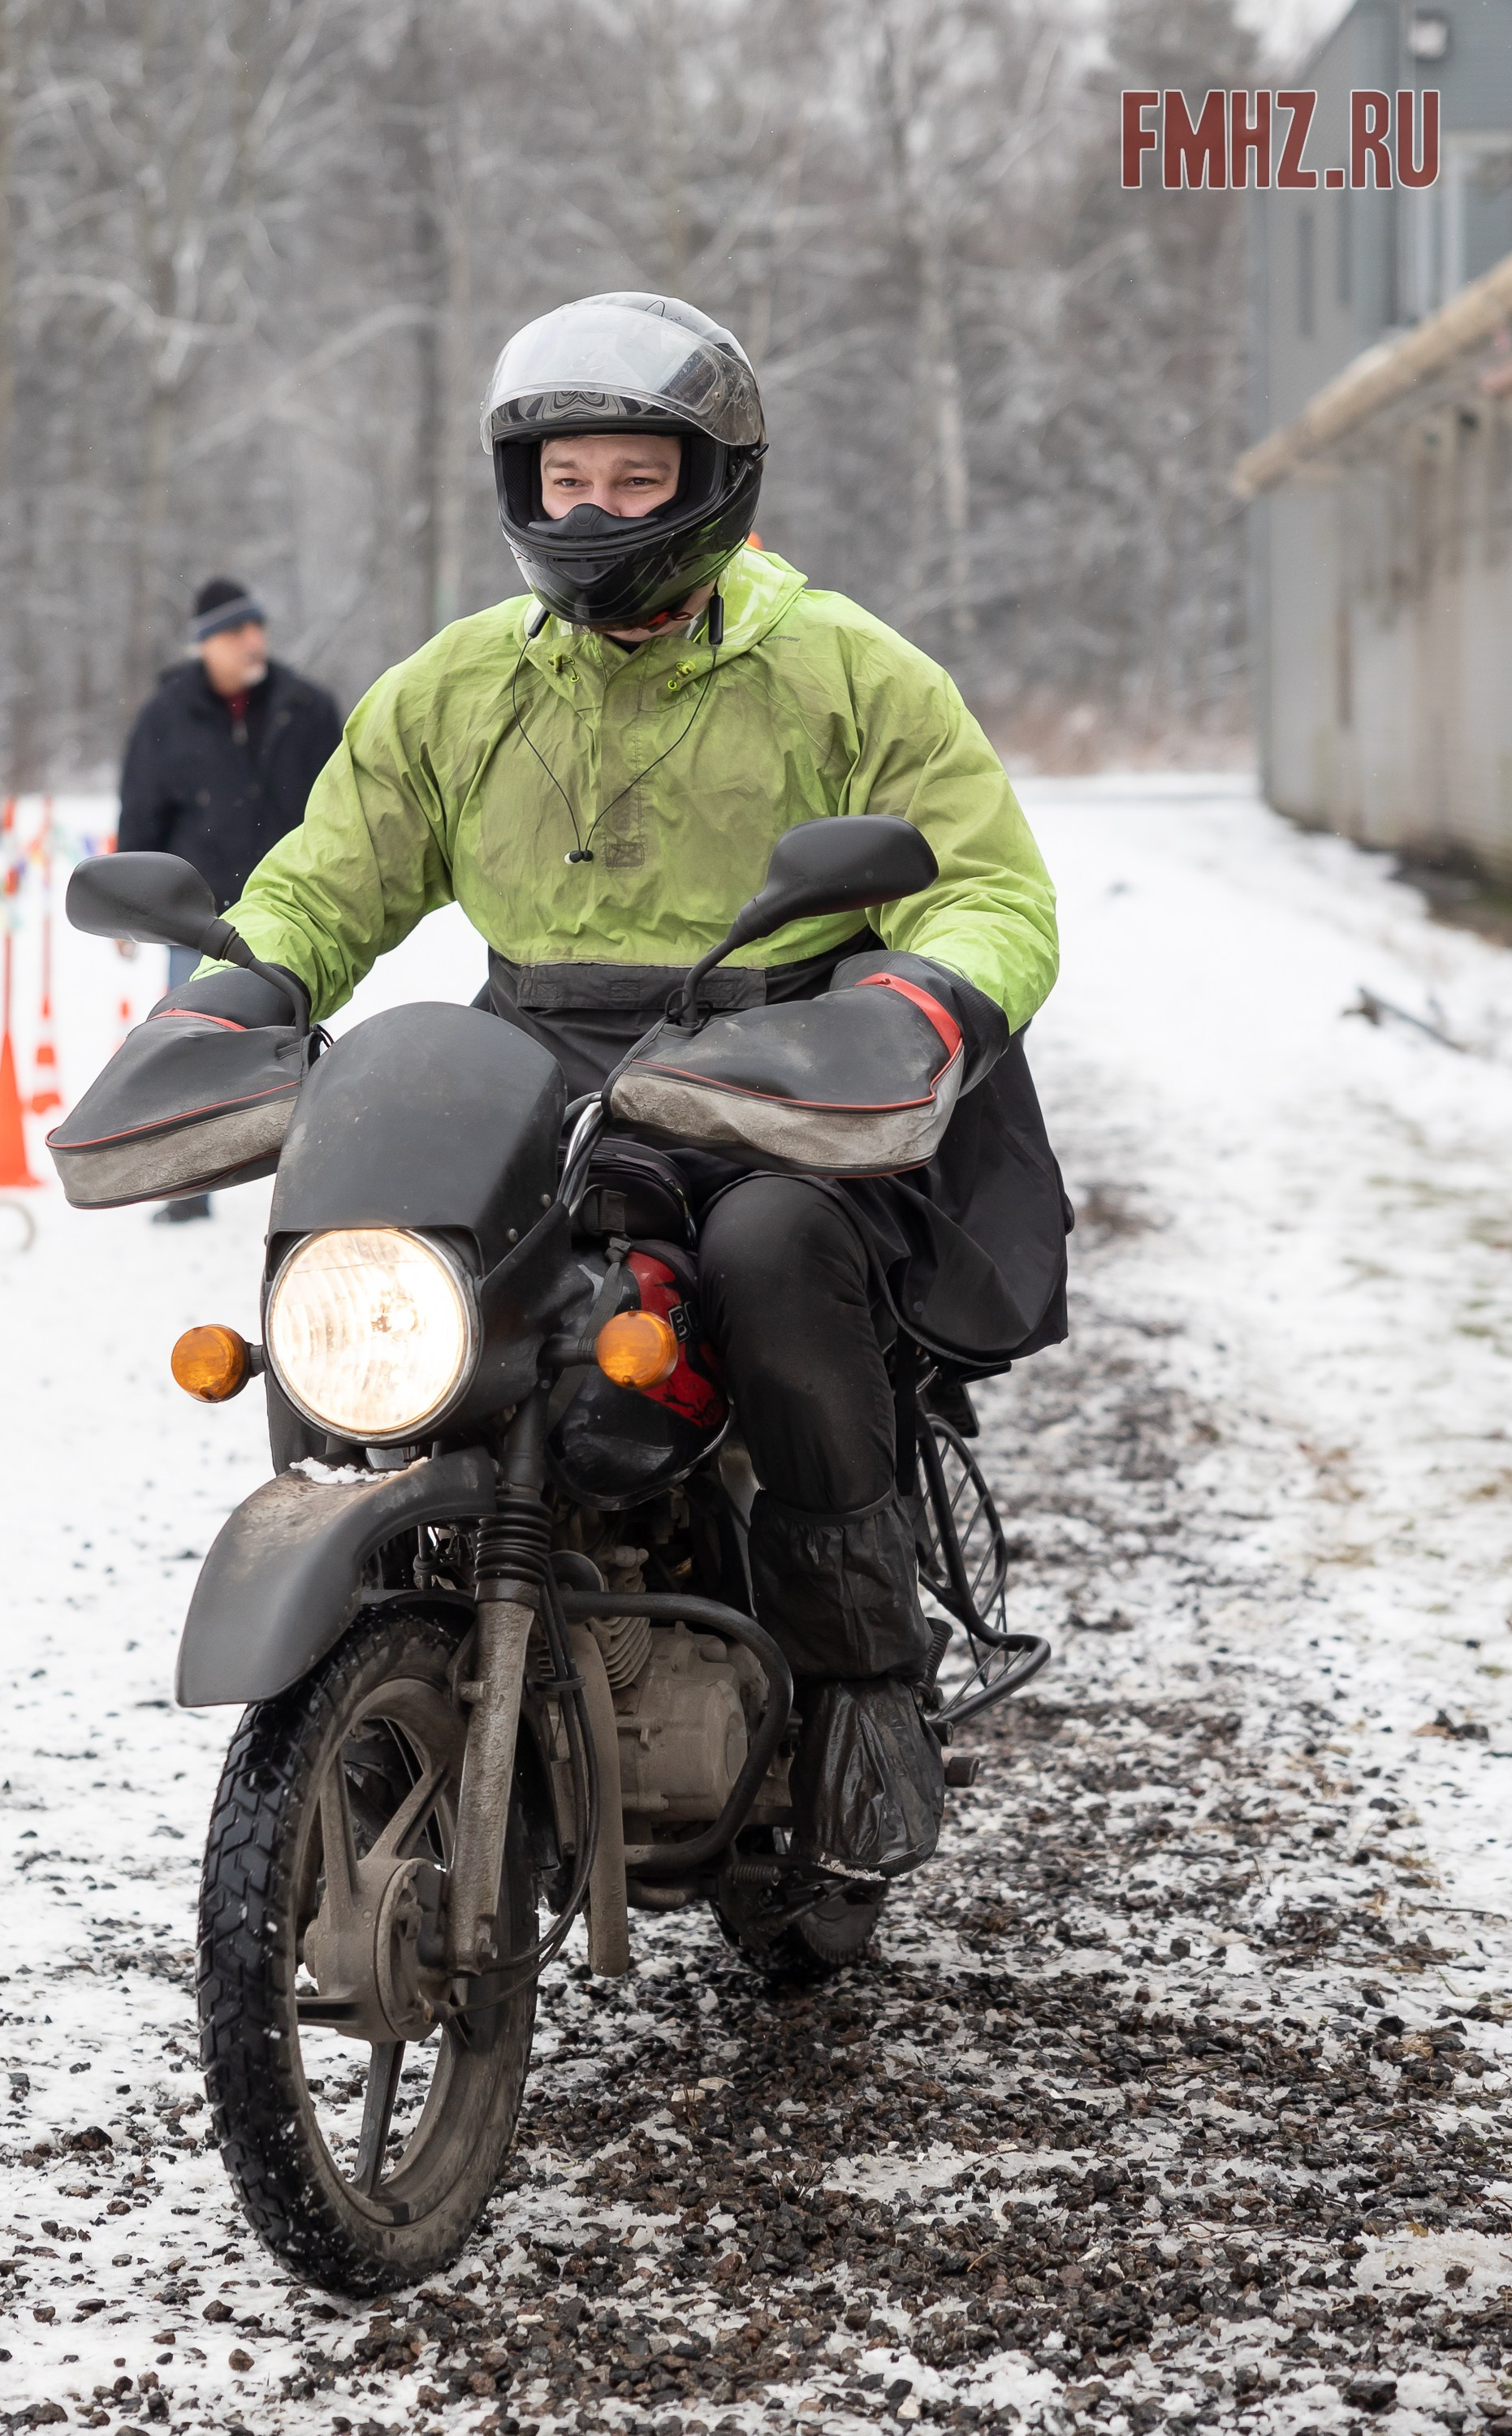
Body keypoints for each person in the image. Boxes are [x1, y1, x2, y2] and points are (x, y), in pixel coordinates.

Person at [207, 292, 1069, 1707]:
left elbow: (987, 891)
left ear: (714, 482)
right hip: (526, 1090)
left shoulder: (845, 671)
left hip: (781, 1086)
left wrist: (917, 1000)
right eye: (566, 480)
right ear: (519, 488)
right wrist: (235, 989)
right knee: (362, 1255)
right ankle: (371, 1622)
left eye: (633, 478)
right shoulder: (457, 686)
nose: (594, 512)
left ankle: (858, 1697)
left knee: (776, 1257)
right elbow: (322, 880)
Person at [117, 576, 342, 1220]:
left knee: (308, 1050)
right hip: (199, 917)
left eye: (257, 628)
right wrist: (131, 912)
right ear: (205, 645)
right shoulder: (165, 716)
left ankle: (314, 1187)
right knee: (192, 1053)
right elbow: (141, 816)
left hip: (302, 909)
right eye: (237, 632)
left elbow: (345, 808)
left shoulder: (308, 707)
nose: (253, 642)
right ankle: (190, 1190)